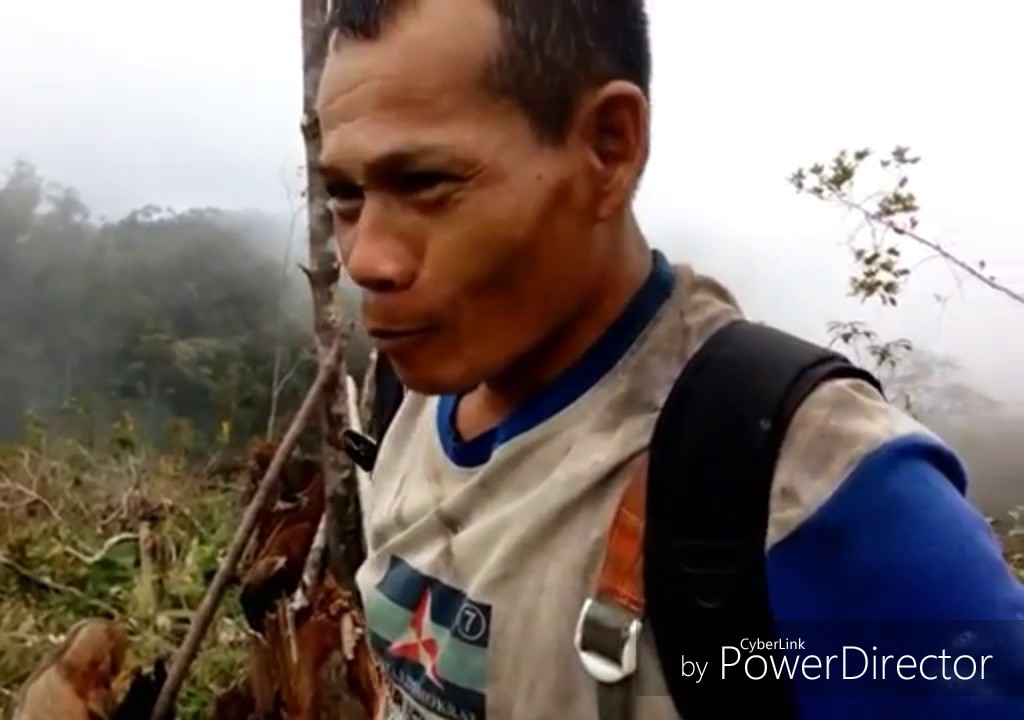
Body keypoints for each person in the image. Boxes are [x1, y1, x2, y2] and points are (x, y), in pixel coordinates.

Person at [312, 0, 1024, 718]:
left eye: (428, 182)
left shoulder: (816, 494)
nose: (367, 259)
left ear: (609, 148)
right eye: (345, 194)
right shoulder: (410, 401)